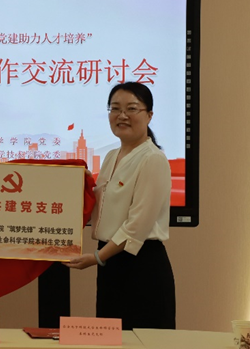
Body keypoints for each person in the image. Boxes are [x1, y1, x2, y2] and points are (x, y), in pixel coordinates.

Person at [65, 81, 175, 330]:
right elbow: (99, 206)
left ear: (149, 115)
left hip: (141, 265)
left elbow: (136, 227)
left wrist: (96, 258)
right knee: (110, 338)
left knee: (142, 341)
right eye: (115, 108)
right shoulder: (111, 156)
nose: (122, 115)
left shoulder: (153, 159)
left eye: (131, 109)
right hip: (111, 263)